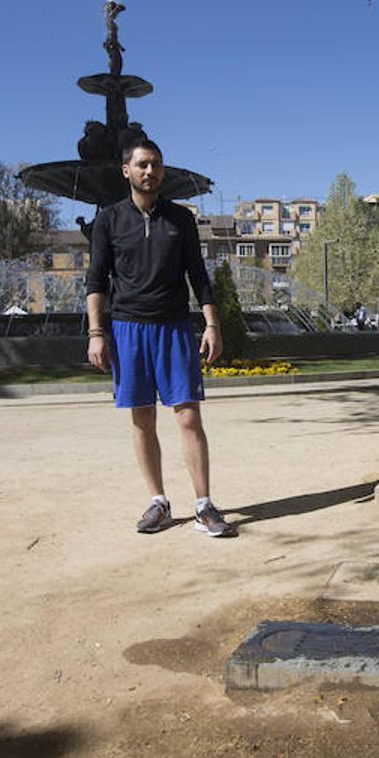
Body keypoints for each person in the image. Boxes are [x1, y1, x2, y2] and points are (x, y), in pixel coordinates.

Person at [85, 139, 236, 538]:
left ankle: (204, 505)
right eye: (141, 165)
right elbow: (96, 280)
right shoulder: (109, 221)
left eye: (155, 165)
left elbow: (198, 277)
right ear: (126, 171)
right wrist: (96, 332)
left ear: (162, 171)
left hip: (174, 327)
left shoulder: (181, 220)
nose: (149, 172)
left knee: (188, 416)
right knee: (142, 418)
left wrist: (212, 325)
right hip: (127, 329)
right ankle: (158, 502)